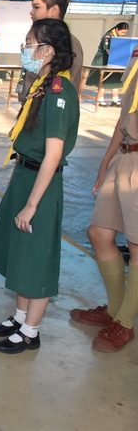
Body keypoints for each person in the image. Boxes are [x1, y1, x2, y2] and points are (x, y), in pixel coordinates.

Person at [0, 18, 79, 354]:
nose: (25, 50)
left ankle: (30, 331)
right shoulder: (43, 83)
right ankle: (21, 316)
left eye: (30, 44)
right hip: (26, 174)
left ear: (48, 50)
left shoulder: (58, 91)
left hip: (42, 180)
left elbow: (53, 155)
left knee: (36, 255)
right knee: (21, 251)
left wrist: (32, 204)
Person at [70, 44, 138, 352]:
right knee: (98, 233)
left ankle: (125, 322)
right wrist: (106, 163)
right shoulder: (136, 56)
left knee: (136, 246)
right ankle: (114, 309)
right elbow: (125, 117)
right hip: (125, 156)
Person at [21, 0, 84, 95]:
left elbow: (63, 88)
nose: (31, 12)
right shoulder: (42, 38)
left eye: (36, 7)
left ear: (54, 10)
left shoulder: (67, 43)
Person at [86, 22, 129, 107]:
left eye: (125, 33)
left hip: (114, 62)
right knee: (103, 81)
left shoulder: (119, 37)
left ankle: (115, 100)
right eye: (122, 32)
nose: (123, 34)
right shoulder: (107, 37)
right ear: (117, 29)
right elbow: (108, 51)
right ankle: (100, 100)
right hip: (103, 61)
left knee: (116, 80)